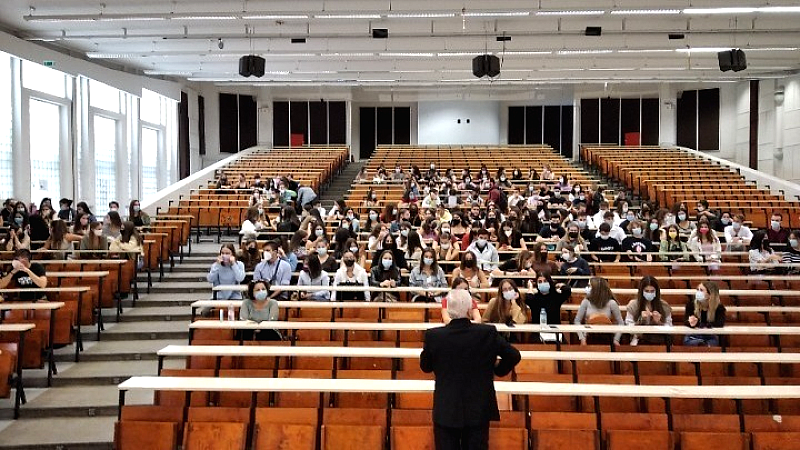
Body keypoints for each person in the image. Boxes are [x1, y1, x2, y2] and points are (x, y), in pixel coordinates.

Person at [420, 289, 520, 450]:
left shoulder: (434, 336)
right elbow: (514, 356)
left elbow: (425, 367)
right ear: (469, 310)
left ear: (448, 311)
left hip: (447, 408)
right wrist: (498, 370)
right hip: (478, 407)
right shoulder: (487, 333)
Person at [574, 277, 624, 346]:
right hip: (589, 336)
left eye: (589, 286)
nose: (587, 288)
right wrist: (582, 338)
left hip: (607, 336)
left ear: (596, 289)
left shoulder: (611, 303)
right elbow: (577, 321)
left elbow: (621, 323)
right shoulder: (586, 302)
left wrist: (616, 339)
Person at [625, 276, 673, 346]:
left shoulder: (664, 306)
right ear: (641, 291)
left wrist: (659, 323)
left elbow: (670, 328)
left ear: (657, 292)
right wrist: (641, 321)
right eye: (646, 291)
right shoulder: (633, 305)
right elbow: (629, 327)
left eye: (652, 291)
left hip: (659, 340)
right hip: (639, 340)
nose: (649, 293)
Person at [525, 272, 571, 343]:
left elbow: (567, 290)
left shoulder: (556, 297)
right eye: (540, 282)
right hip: (538, 333)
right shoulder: (535, 298)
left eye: (545, 281)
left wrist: (557, 284)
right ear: (537, 284)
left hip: (555, 332)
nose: (542, 283)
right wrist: (530, 287)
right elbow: (528, 298)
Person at [684, 281, 726, 347]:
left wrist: (703, 324)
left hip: (710, 335)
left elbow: (720, 323)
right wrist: (691, 322)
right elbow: (685, 321)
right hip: (694, 334)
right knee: (690, 342)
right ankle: (701, 344)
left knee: (712, 343)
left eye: (701, 290)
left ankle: (703, 345)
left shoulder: (719, 307)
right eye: (697, 290)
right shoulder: (691, 305)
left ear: (710, 294)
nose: (698, 292)